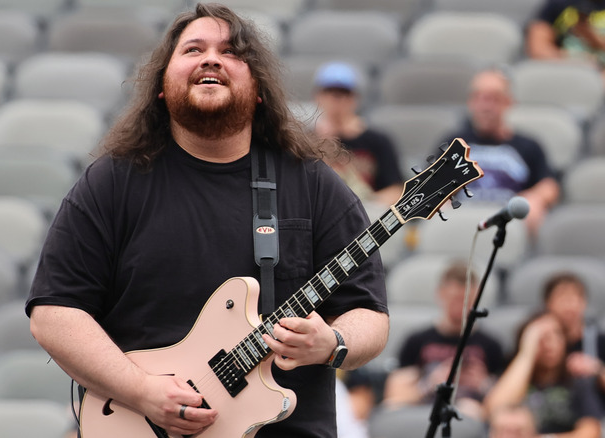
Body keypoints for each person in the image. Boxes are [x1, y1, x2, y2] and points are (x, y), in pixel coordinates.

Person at [26, 3, 390, 438]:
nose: (211, 58)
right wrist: (141, 391)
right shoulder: (113, 182)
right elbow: (53, 312)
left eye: (231, 51)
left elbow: (368, 313)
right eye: (193, 49)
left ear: (258, 88)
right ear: (163, 85)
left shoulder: (313, 184)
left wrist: (332, 344)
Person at [443, 68, 560, 236]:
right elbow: (431, 185)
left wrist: (531, 197)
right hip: (463, 218)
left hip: (508, 219)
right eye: (479, 98)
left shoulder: (528, 145)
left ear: (509, 102)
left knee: (534, 205)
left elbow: (549, 187)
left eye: (493, 99)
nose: (485, 106)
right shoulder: (454, 143)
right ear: (470, 102)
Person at [381, 262, 505, 420]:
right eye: (455, 299)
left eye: (466, 300)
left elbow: (505, 399)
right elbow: (394, 394)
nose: (461, 306)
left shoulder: (490, 345)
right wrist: (432, 382)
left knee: (470, 409)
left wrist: (483, 384)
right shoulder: (417, 340)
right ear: (441, 294)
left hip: (471, 412)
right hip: (424, 408)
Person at [484, 312, 605, 437]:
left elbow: (591, 432)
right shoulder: (513, 379)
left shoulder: (577, 382)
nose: (550, 344)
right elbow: (493, 411)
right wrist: (526, 354)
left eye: (557, 334)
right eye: (542, 337)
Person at [542, 272, 605, 437]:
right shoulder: (541, 342)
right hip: (549, 417)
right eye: (562, 298)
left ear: (584, 303)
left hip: (598, 422)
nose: (569, 305)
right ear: (548, 304)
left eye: (575, 298)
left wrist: (598, 369)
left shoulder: (602, 341)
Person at [312, 61, 404, 206]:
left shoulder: (377, 141)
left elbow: (395, 191)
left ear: (354, 99)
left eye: (344, 93)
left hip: (366, 216)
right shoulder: (307, 140)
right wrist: (325, 142)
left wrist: (361, 207)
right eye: (330, 93)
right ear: (318, 97)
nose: (337, 99)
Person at [527, 0, 605, 93]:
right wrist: (576, 61)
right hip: (568, 71)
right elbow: (537, 48)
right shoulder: (557, 4)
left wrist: (603, 44)